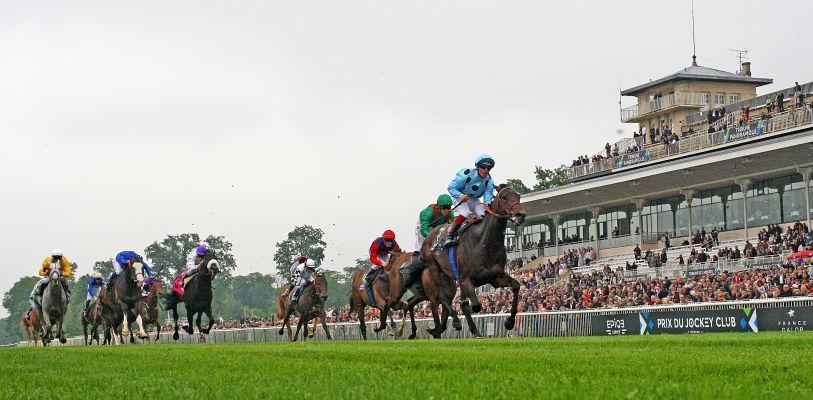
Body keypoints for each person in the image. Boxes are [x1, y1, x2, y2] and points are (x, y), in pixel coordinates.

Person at [444, 154, 496, 248]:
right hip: (459, 196)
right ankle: (450, 235)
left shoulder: (489, 181)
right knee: (465, 213)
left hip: (473, 198)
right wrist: (460, 195)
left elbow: (487, 195)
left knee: (483, 214)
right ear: (477, 166)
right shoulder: (466, 175)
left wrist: (487, 205)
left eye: (489, 168)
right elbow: (450, 187)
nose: (486, 170)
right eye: (483, 167)